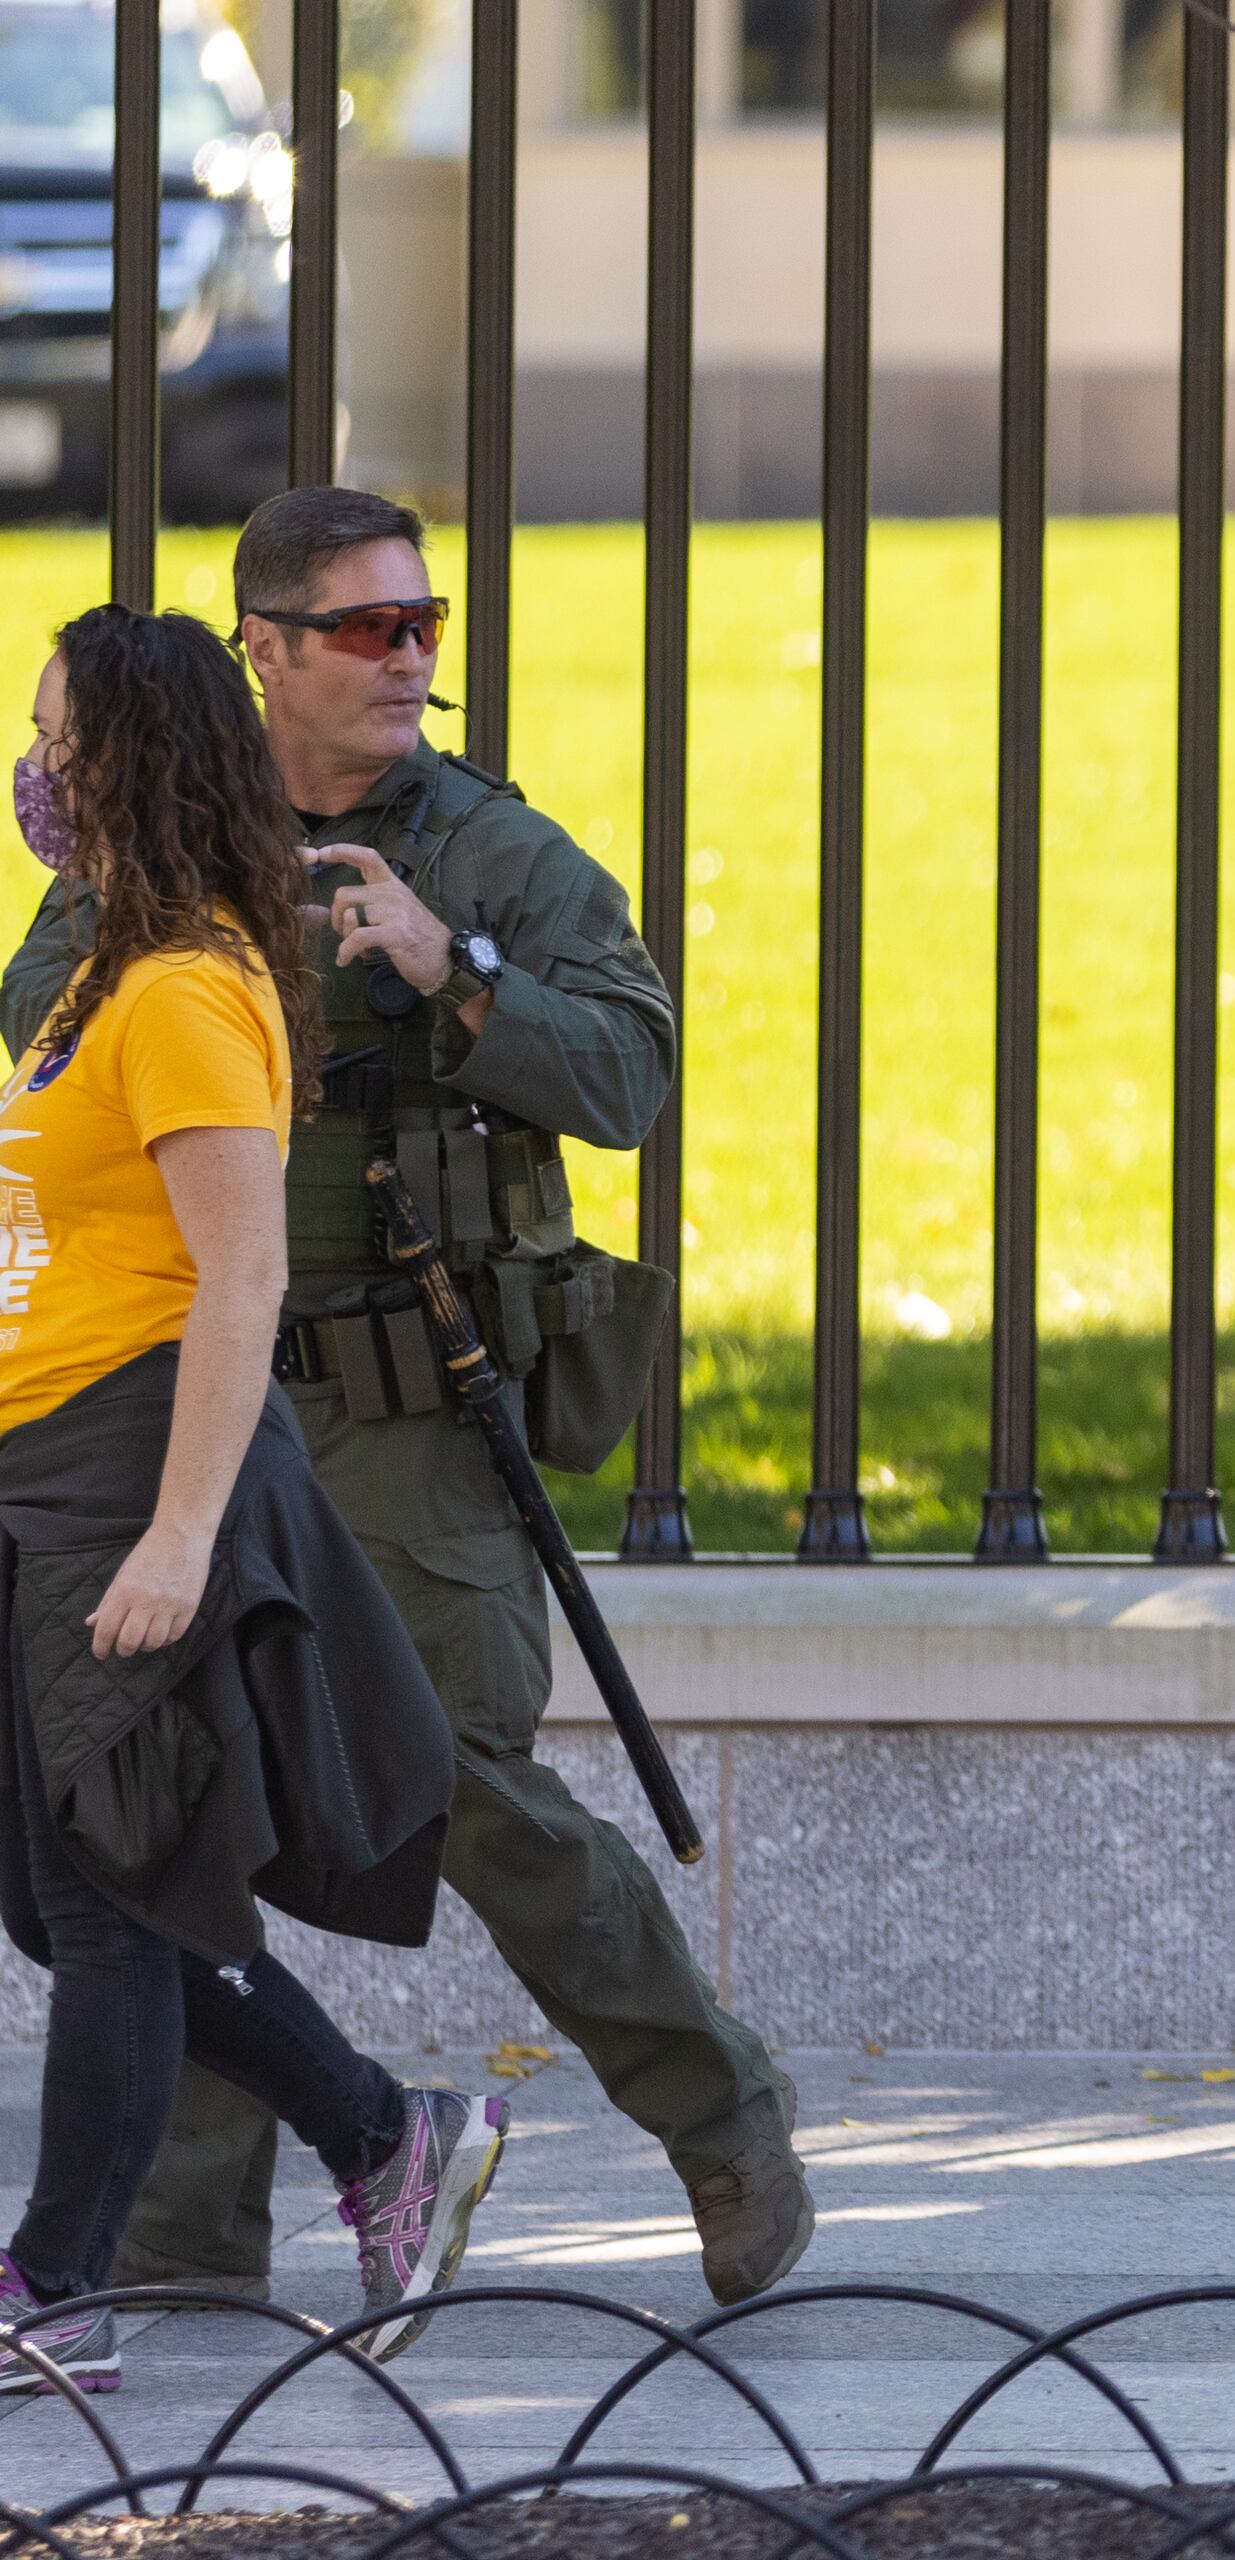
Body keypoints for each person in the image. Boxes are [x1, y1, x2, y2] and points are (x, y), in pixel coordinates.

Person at [0, 489, 813, 2309]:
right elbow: (43, 1027)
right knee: (172, 1800)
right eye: (366, 630)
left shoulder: (491, 849)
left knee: (460, 1791)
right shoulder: (149, 866)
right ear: (263, 653)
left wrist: (455, 971)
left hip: (409, 1406)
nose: (410, 661)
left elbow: (632, 1071)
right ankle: (183, 2236)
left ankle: (723, 2114)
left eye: (424, 625)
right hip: (185, 1398)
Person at [0, 604, 506, 2393]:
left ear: (131, 760)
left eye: (60, 737)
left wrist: (177, 1535)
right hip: (45, 1470)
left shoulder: (190, 987)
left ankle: (52, 2286)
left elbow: (239, 1280)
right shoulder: (91, 977)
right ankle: (382, 2134)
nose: (36, 769)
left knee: (112, 1898)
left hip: (135, 1471)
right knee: (65, 1886)